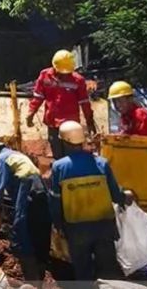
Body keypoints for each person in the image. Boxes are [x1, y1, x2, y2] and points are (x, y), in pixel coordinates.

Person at [49, 120, 127, 281]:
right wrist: (125, 197)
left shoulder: (59, 167)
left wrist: (58, 225)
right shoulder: (101, 163)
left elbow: (56, 201)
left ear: (64, 142)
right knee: (108, 272)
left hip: (77, 229)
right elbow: (116, 195)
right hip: (104, 227)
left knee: (83, 272)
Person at [0, 137, 50, 282]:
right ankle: (40, 272)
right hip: (41, 190)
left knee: (21, 230)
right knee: (39, 231)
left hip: (27, 189)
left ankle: (31, 278)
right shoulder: (16, 154)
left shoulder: (2, 158)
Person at [27, 49, 97, 160]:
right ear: (54, 66)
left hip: (71, 125)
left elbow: (84, 103)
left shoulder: (78, 80)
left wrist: (90, 122)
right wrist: (31, 113)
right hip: (52, 123)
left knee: (72, 155)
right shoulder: (45, 76)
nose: (64, 74)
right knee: (57, 154)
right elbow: (38, 97)